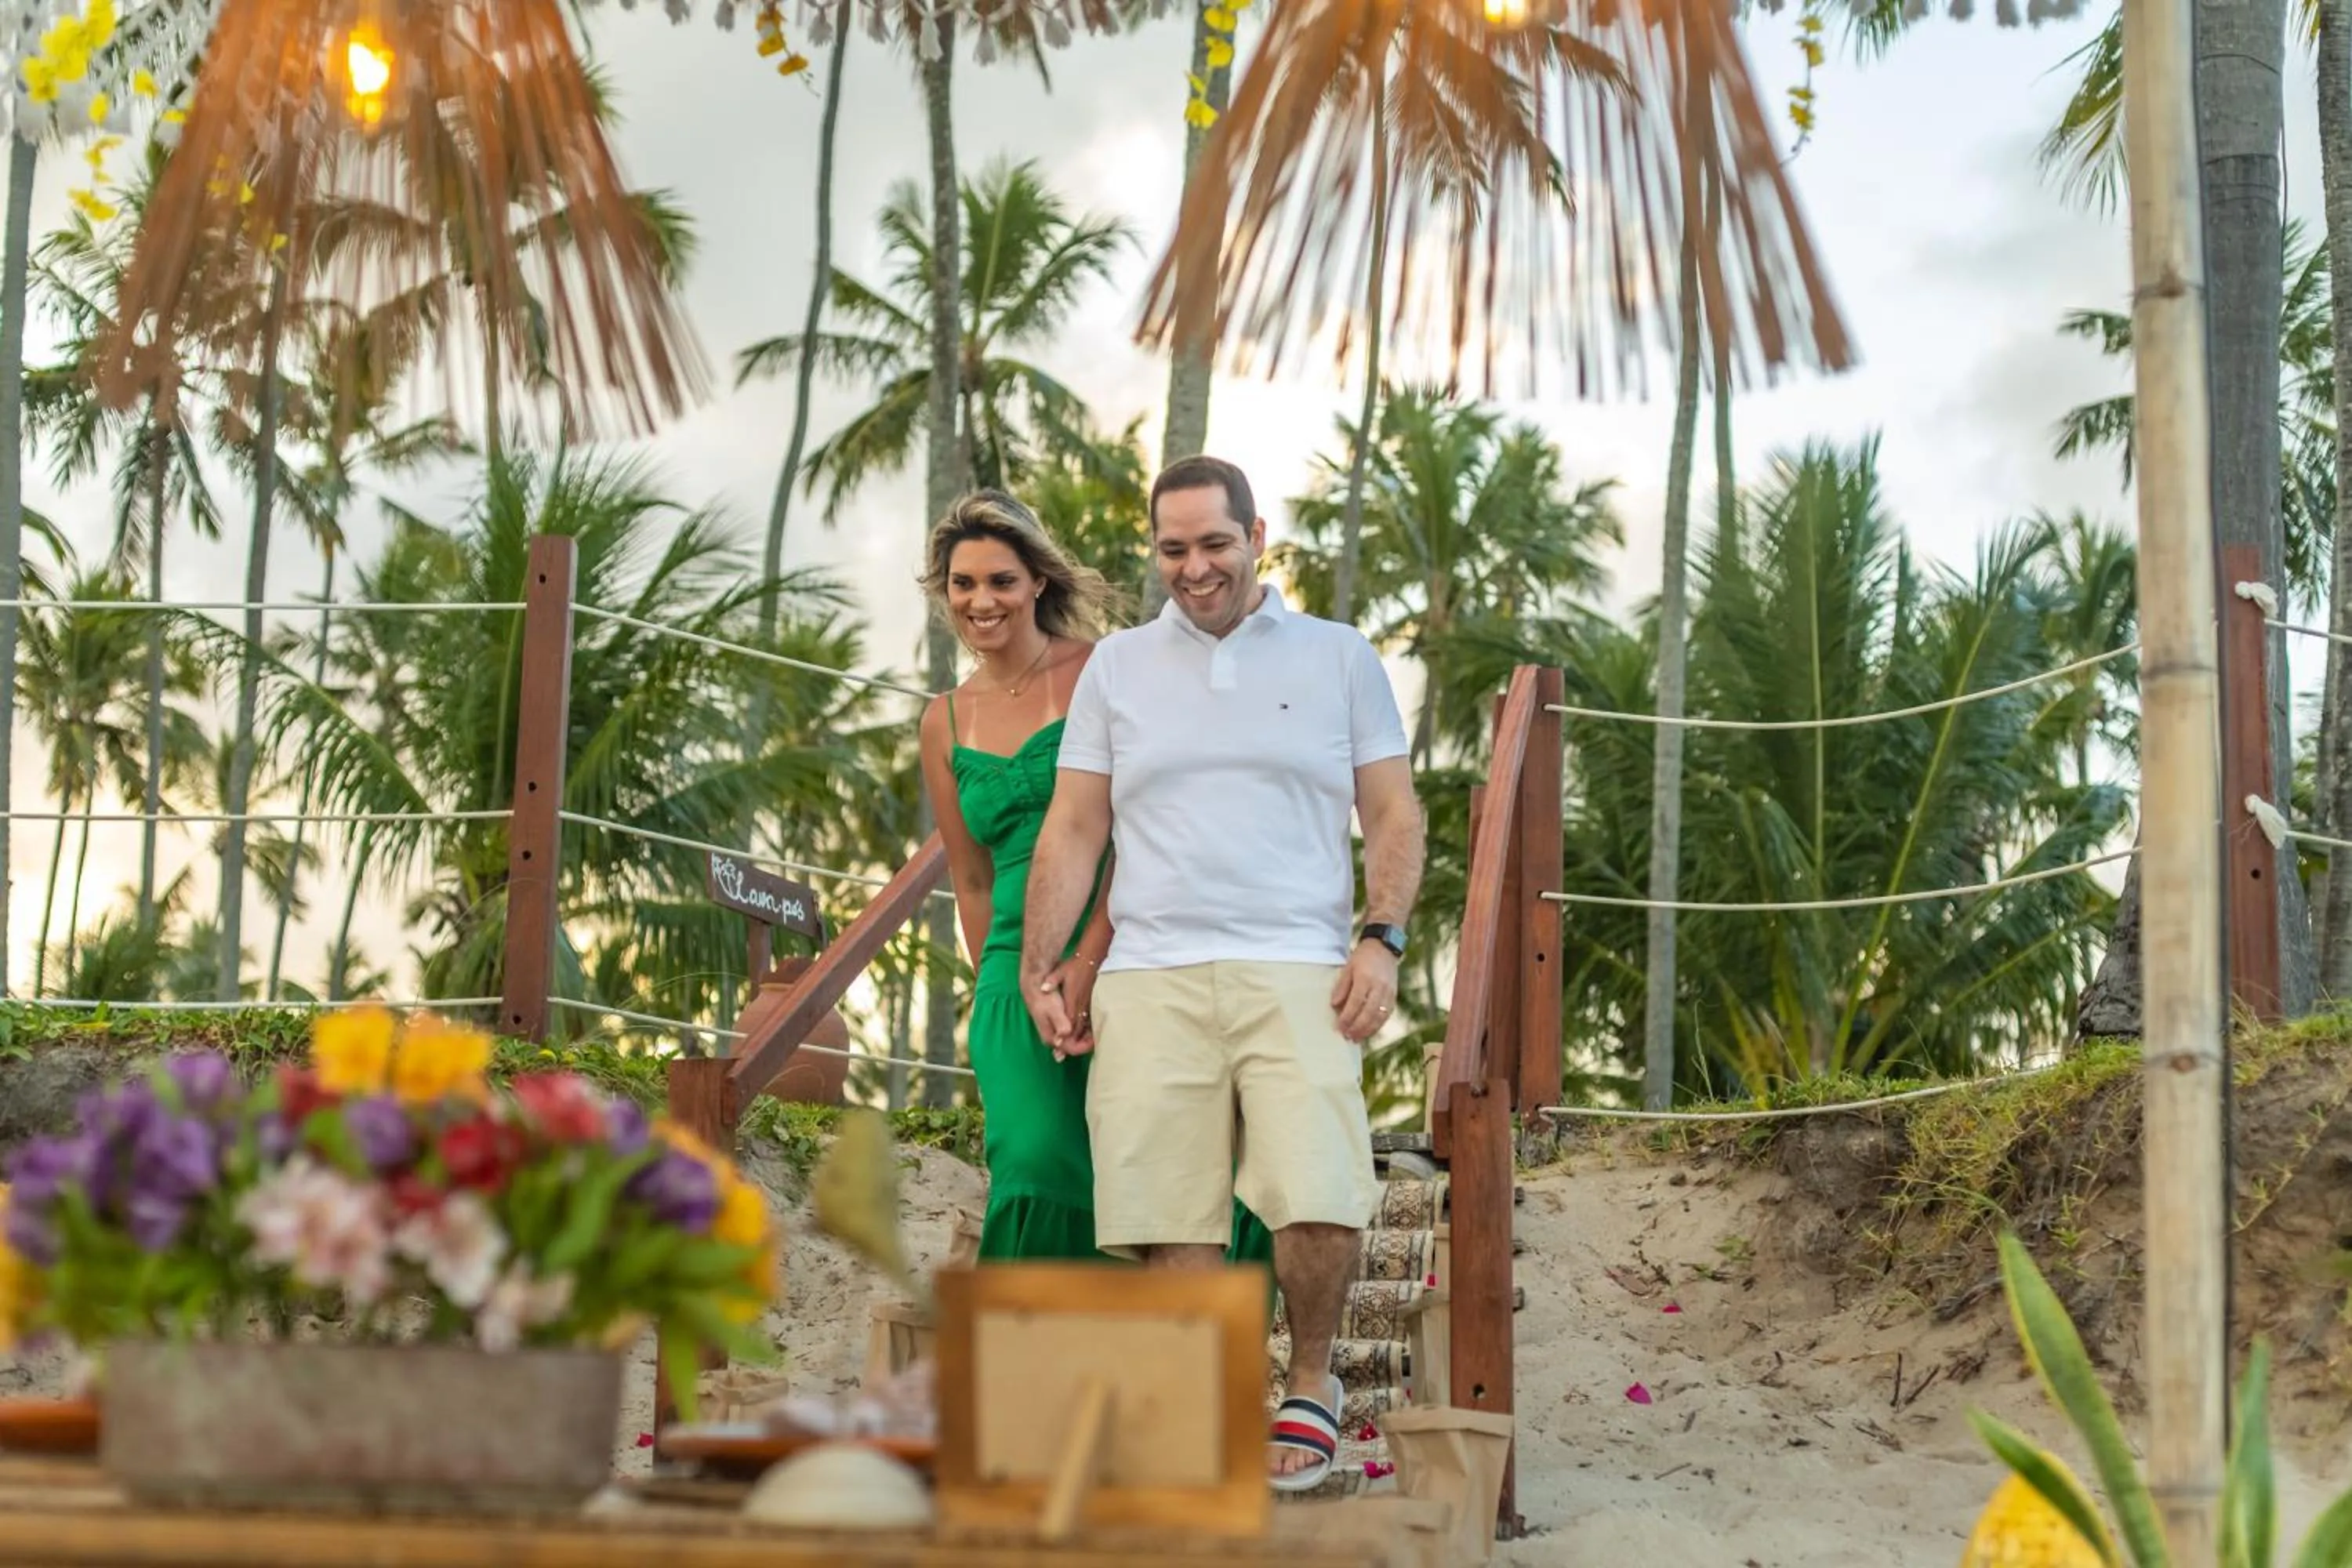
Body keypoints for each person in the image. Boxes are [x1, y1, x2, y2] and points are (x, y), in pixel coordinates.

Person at [1019, 455, 1425, 1492]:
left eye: (1214, 544)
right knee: (1168, 1211)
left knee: (1320, 1197)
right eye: (1172, 548)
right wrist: (1045, 964)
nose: (1194, 568)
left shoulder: (1338, 657)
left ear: (1257, 536)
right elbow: (1075, 824)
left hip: (1299, 962)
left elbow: (1391, 811)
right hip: (1150, 970)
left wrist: (1381, 937)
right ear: (1152, 549)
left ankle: (1314, 1380)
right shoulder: (1116, 667)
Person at [915, 489, 1277, 1269]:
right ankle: (1036, 1373)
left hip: (1127, 952)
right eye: (964, 583)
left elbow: (1144, 826)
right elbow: (973, 882)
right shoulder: (942, 720)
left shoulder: (1100, 672)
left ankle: (1174, 1362)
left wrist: (1084, 961)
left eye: (1002, 580)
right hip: (1019, 980)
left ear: (1038, 581)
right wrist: (1007, 992)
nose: (983, 601)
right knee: (1038, 1161)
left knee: (1160, 1174)